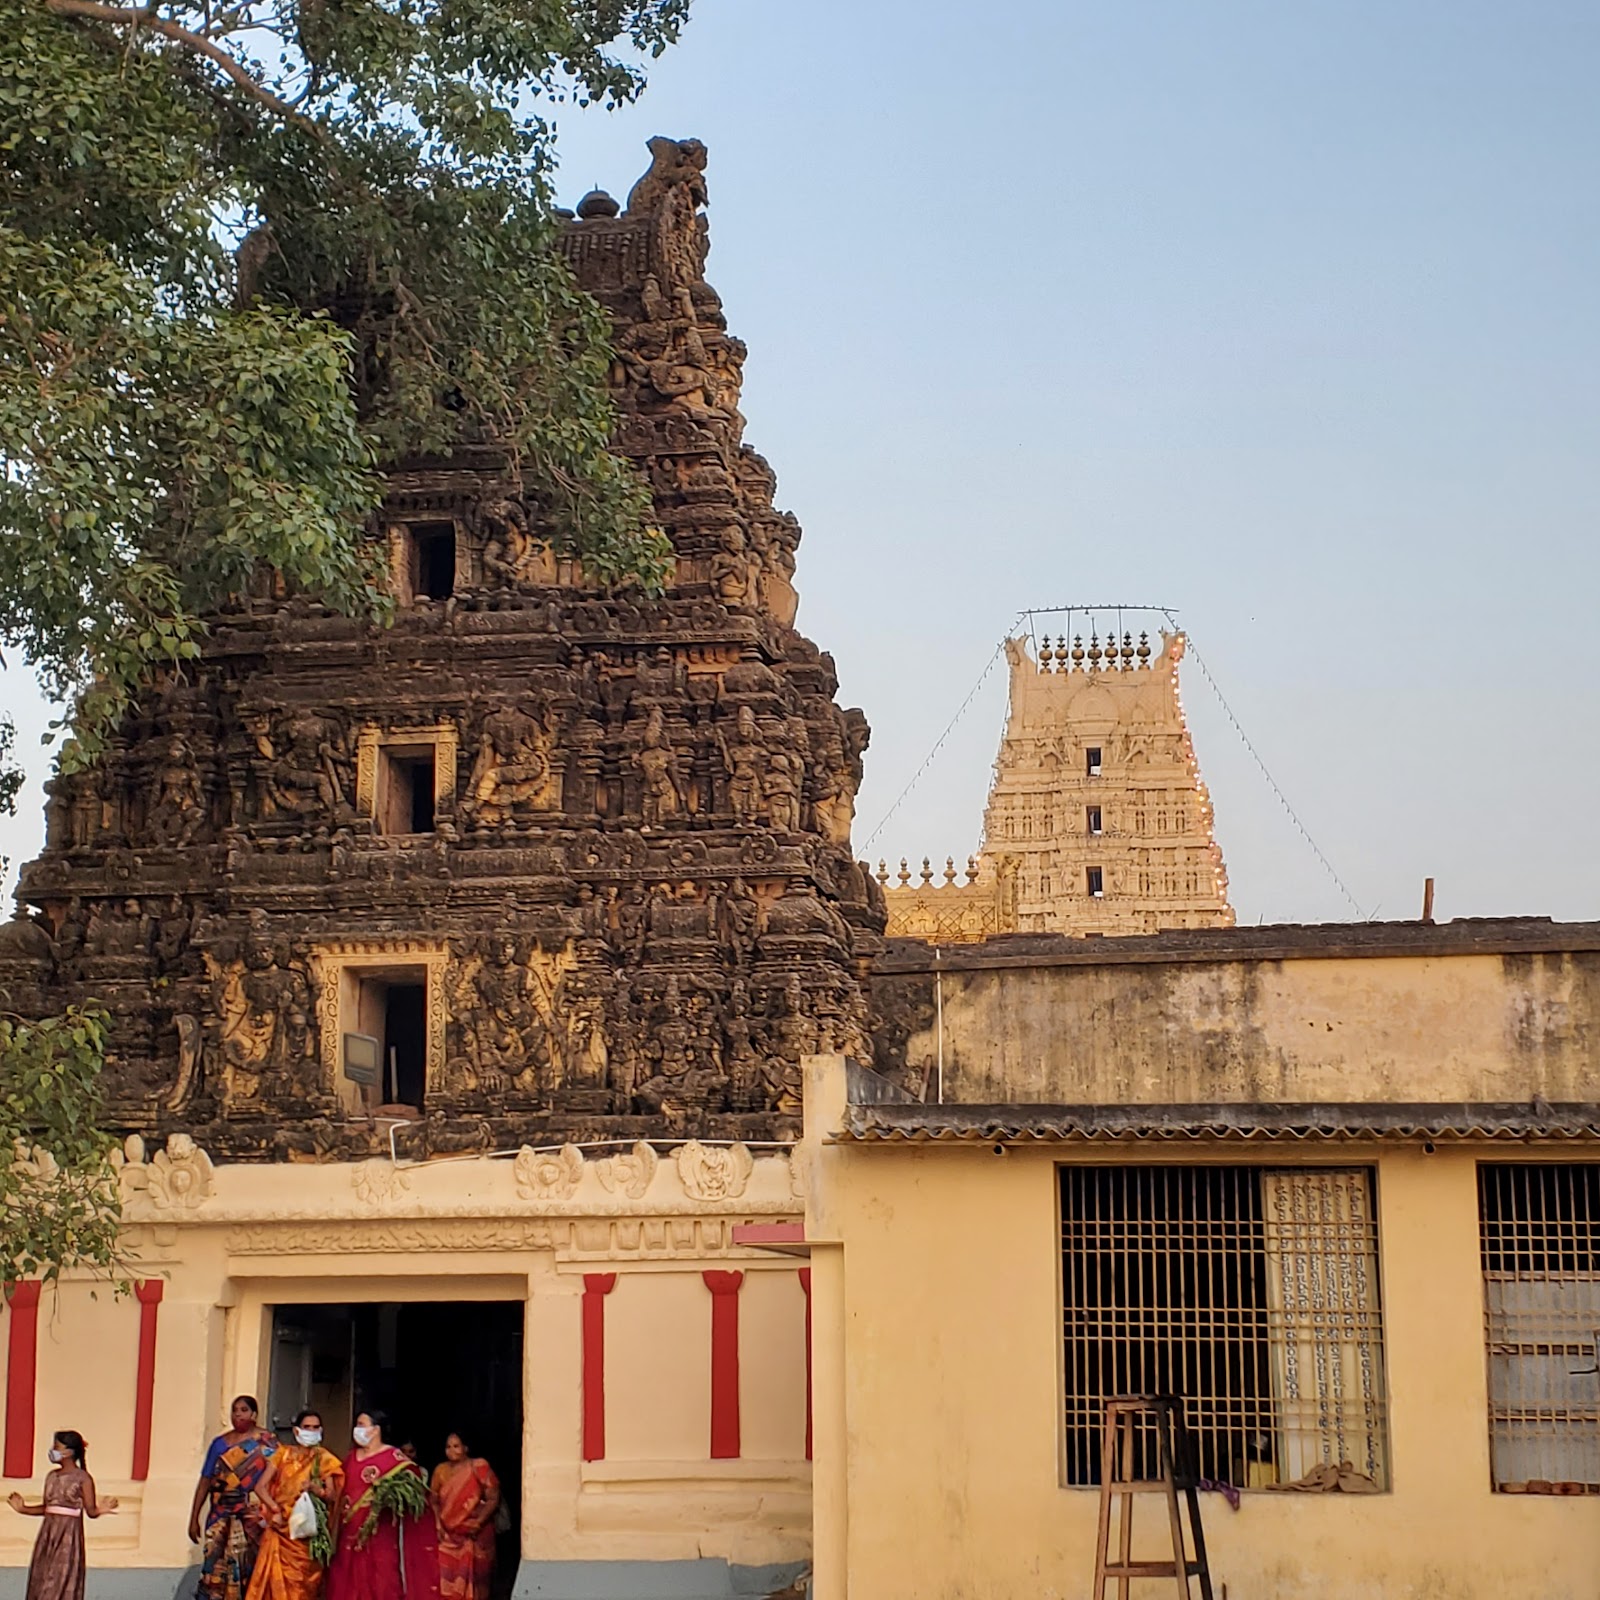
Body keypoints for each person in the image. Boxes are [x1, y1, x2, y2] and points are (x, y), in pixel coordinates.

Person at [326, 1410, 438, 1600]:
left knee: (382, 1584)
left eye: (361, 1425)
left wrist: (391, 1499)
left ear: (375, 1429)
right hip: (348, 1535)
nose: (357, 1429)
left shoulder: (395, 1460)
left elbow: (415, 1493)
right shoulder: (350, 1458)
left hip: (380, 1537)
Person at [7, 1429, 117, 1600]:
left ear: (68, 1452)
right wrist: (23, 1509)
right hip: (48, 1535)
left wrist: (101, 1509)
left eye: (56, 1447)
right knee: (42, 1577)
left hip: (68, 1537)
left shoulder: (83, 1478)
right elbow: (47, 1508)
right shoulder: (51, 1476)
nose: (52, 1450)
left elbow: (91, 1511)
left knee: (61, 1578)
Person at [246, 1410, 343, 1600]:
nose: (312, 1431)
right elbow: (260, 1487)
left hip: (306, 1536)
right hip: (281, 1530)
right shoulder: (283, 1454)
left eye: (316, 1427)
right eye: (307, 1427)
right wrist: (274, 1509)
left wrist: (316, 1489)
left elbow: (331, 1495)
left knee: (303, 1587)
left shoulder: (324, 1459)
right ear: (297, 1431)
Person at [190, 1396, 279, 1600]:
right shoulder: (219, 1444)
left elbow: (277, 1480)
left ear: (254, 1415)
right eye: (234, 1410)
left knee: (249, 1568)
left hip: (252, 1518)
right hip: (220, 1515)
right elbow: (205, 1480)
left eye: (243, 1410)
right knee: (215, 1570)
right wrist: (194, 1517)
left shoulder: (267, 1443)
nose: (238, 1414)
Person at [429, 1434, 501, 1600]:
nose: (452, 1450)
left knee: (478, 1580)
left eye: (456, 1446)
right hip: (448, 1536)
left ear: (466, 1448)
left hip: (476, 1534)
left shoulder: (478, 1466)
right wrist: (438, 1524)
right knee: (446, 1579)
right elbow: (434, 1501)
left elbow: (493, 1497)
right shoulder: (440, 1470)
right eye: (448, 1447)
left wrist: (478, 1522)